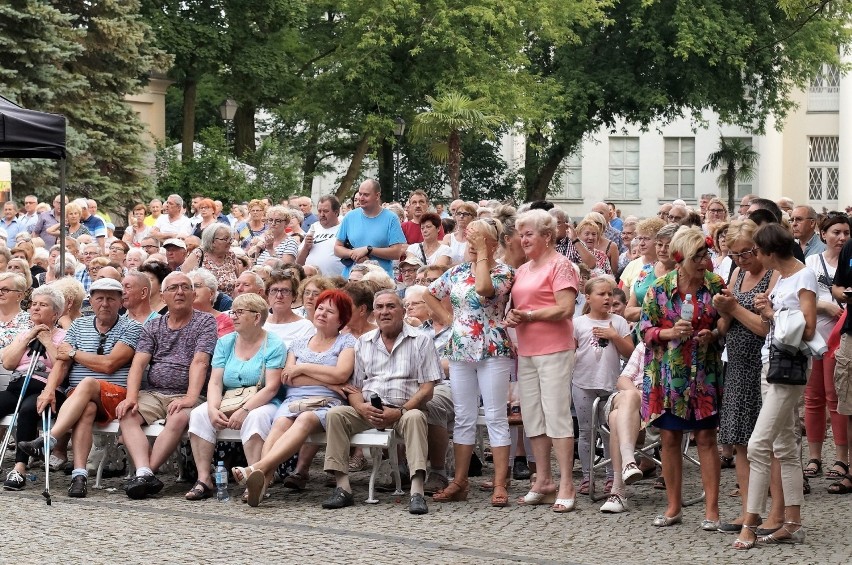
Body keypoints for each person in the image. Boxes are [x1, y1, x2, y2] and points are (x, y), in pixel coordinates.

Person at [733, 223, 817, 549]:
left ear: (769, 252)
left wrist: (773, 310)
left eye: (756, 251)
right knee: (784, 447)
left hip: (788, 369)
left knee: (758, 444)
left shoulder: (803, 276)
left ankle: (751, 522)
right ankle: (792, 523)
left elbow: (807, 329)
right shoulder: (782, 277)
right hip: (772, 363)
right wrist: (768, 311)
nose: (754, 256)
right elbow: (781, 321)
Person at [321, 290, 442, 515]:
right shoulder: (363, 342)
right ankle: (343, 488)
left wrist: (401, 410)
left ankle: (417, 491)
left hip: (405, 408)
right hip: (369, 409)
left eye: (391, 306)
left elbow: (427, 387)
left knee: (416, 418)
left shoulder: (421, 340)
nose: (384, 312)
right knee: (335, 415)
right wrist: (360, 407)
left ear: (403, 310)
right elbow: (354, 387)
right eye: (380, 307)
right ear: (373, 312)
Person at [17, 279, 141, 498]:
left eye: (111, 299)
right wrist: (49, 390)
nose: (105, 303)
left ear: (121, 302)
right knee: (87, 410)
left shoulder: (132, 327)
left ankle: (49, 439)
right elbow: (62, 363)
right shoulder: (79, 326)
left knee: (88, 383)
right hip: (80, 398)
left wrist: (75, 354)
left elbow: (110, 364)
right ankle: (79, 476)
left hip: (116, 395)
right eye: (99, 298)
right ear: (91, 301)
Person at [233, 290, 355, 506]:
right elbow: (288, 378)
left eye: (330, 311)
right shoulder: (299, 343)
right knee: (279, 423)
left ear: (341, 318)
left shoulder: (346, 342)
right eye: (320, 308)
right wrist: (326, 380)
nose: (322, 313)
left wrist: (304, 367)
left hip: (326, 403)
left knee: (305, 418)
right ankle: (262, 483)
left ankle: (258, 469)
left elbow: (341, 374)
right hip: (293, 400)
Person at [425, 218, 515, 507]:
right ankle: (460, 481)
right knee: (463, 417)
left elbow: (484, 290)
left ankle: (500, 484)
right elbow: (430, 293)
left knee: (495, 416)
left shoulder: (503, 271)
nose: (471, 241)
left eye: (478, 238)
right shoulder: (457, 271)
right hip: (461, 348)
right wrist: (450, 320)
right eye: (469, 237)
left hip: (492, 347)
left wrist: (483, 256)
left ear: (492, 243)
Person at [640, 226, 724, 529]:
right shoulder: (660, 288)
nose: (704, 262)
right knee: (670, 438)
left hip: (703, 372)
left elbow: (726, 323)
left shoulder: (715, 285)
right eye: (697, 256)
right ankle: (673, 507)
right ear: (680, 257)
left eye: (706, 254)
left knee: (705, 437)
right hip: (668, 374)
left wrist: (712, 334)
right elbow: (644, 330)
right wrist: (668, 332)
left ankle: (712, 510)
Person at [116, 272, 218, 500]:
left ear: (193, 294)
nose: (179, 292)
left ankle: (144, 474)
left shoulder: (205, 321)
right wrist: (131, 396)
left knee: (180, 416)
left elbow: (200, 361)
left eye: (185, 287)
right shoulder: (153, 326)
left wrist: (191, 397)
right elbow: (138, 363)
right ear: (162, 296)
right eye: (173, 288)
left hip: (189, 392)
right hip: (154, 392)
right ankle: (144, 473)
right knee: (128, 413)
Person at [505, 209, 579, 512]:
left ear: (547, 236)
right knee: (533, 414)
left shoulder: (561, 265)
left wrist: (530, 315)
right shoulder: (522, 270)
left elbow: (565, 309)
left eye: (529, 233)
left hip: (555, 349)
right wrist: (512, 316)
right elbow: (517, 307)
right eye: (521, 234)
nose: (523, 239)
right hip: (527, 350)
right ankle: (544, 480)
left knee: (556, 414)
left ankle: (566, 483)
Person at [713, 219, 780, 533]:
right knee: (740, 440)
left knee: (766, 443)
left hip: (762, 363)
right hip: (736, 363)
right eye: (735, 255)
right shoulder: (737, 273)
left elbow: (765, 327)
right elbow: (728, 323)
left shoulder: (773, 274)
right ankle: (747, 509)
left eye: (747, 253)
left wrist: (734, 310)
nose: (741, 260)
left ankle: (773, 512)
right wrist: (722, 313)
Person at [185, 293, 284, 501]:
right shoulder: (226, 342)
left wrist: (245, 409)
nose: (233, 317)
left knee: (256, 418)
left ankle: (256, 480)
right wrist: (212, 408)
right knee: (199, 414)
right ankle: (204, 479)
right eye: (233, 312)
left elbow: (273, 387)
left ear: (257, 318)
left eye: (240, 312)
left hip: (263, 400)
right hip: (230, 397)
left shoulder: (274, 344)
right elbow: (215, 381)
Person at [0, 286, 66, 491]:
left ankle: (19, 469)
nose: (36, 308)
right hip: (17, 385)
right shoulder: (24, 334)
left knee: (29, 410)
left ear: (56, 313)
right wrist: (29, 337)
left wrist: (47, 341)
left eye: (43, 305)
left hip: (46, 389)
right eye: (34, 304)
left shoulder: (64, 335)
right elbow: (9, 363)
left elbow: (61, 365)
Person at [573, 277, 633, 496]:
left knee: (610, 431)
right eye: (601, 294)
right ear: (588, 298)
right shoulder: (578, 323)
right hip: (583, 383)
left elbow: (630, 352)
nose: (607, 298)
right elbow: (571, 352)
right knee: (586, 432)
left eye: (610, 294)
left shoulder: (618, 322)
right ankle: (588, 475)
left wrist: (614, 336)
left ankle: (611, 476)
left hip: (609, 384)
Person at [803, 214, 850, 482]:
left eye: (845, 232)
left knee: (837, 398)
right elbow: (804, 296)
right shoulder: (811, 262)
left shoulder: (850, 262)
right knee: (813, 398)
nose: (841, 237)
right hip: (815, 336)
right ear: (823, 234)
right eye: (835, 232)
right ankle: (814, 456)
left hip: (839, 338)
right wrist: (824, 305)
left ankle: (842, 458)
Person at [335, 179, 407, 278]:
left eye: (366, 195)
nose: (361, 198)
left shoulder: (391, 218)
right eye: (360, 194)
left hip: (380, 280)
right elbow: (337, 248)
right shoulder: (350, 216)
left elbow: (396, 253)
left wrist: (369, 250)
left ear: (377, 196)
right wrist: (353, 253)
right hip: (352, 278)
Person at [181, 223, 238, 296]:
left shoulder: (231, 255)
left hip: (229, 304)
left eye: (230, 239)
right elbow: (184, 281)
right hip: (203, 303)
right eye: (225, 239)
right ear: (212, 241)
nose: (230, 242)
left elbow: (238, 281)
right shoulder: (198, 255)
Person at [296, 195, 344, 277]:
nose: (321, 214)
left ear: (336, 212)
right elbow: (299, 263)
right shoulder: (314, 227)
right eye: (319, 211)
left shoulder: (344, 228)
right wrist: (306, 247)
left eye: (325, 211)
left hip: (334, 281)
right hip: (312, 281)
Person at [188, 268, 234, 337]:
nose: (193, 290)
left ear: (211, 294)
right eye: (189, 287)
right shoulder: (179, 319)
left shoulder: (225, 322)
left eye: (197, 286)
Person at [442, 201, 476, 266]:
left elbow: (470, 262)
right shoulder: (448, 238)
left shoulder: (475, 238)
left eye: (465, 214)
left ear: (473, 218)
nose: (461, 216)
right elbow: (442, 261)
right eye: (459, 213)